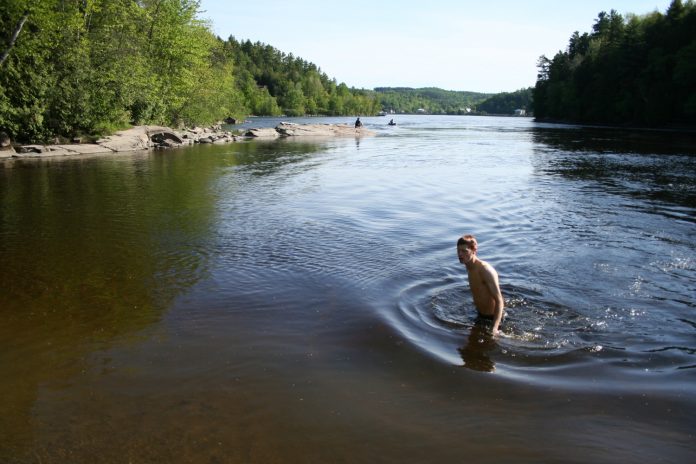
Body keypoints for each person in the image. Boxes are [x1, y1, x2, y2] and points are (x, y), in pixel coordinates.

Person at [457, 234, 504, 336]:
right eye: (458, 250)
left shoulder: (485, 270)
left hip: (493, 318)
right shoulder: (468, 266)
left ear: (474, 250)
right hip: (479, 315)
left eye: (464, 251)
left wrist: (494, 328)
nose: (460, 254)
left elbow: (499, 300)